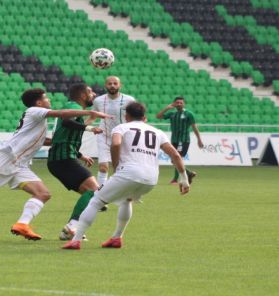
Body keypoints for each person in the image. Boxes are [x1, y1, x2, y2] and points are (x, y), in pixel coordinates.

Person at [0, 88, 111, 242]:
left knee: (43, 194)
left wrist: (78, 152)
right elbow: (62, 114)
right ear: (38, 103)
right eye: (46, 98)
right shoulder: (34, 111)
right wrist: (90, 113)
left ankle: (22, 224)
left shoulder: (39, 120)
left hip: (20, 165)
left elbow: (50, 141)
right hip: (6, 159)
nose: (49, 100)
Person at [62, 102, 190, 250]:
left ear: (126, 116)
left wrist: (116, 166)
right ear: (145, 118)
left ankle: (75, 240)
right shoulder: (158, 132)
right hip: (151, 179)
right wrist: (184, 179)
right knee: (126, 200)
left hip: (129, 173)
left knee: (96, 200)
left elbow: (115, 144)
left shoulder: (121, 127)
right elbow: (175, 154)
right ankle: (116, 238)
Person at [46, 83, 103, 241]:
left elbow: (66, 133)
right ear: (83, 95)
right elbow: (66, 123)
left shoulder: (74, 110)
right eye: (91, 92)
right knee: (95, 192)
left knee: (93, 196)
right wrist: (91, 128)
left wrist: (80, 154)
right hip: (62, 159)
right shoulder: (71, 106)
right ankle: (72, 226)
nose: (94, 95)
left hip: (62, 158)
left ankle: (70, 230)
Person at [92, 76, 136, 187]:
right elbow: (93, 116)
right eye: (109, 83)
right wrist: (83, 127)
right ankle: (100, 193)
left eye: (115, 83)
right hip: (104, 136)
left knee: (122, 168)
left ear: (120, 85)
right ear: (105, 85)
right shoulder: (98, 100)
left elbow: (136, 117)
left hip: (123, 137)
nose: (112, 85)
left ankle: (124, 192)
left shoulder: (129, 100)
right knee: (103, 167)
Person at [156, 96, 203, 184]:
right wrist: (167, 108)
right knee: (174, 160)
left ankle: (175, 179)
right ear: (174, 103)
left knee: (177, 158)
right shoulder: (172, 114)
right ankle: (189, 173)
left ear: (184, 104)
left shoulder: (189, 114)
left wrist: (199, 139)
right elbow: (158, 116)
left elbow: (194, 127)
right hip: (174, 140)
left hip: (183, 140)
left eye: (181, 103)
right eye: (177, 102)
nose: (179, 104)